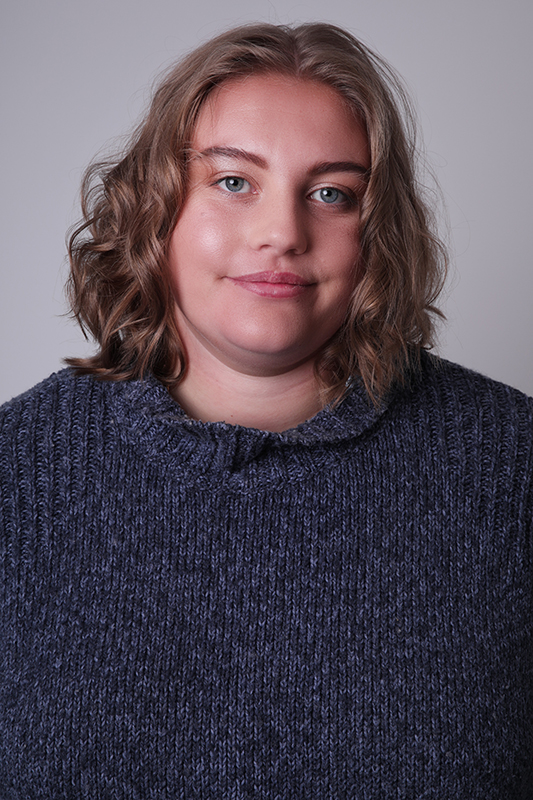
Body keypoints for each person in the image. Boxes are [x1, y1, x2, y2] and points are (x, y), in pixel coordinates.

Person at [0, 22, 531, 799]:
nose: (282, 232)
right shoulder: (16, 473)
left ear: (376, 232)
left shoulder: (510, 469)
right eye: (232, 181)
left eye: (331, 193)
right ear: (155, 206)